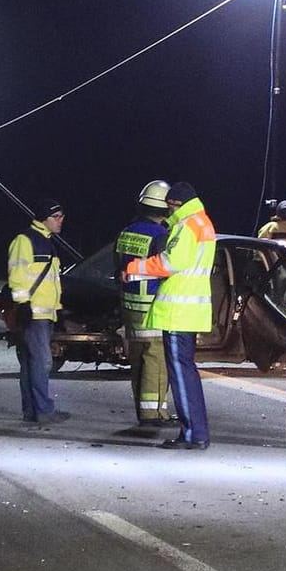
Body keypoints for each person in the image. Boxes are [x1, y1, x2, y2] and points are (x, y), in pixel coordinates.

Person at [122, 181, 216, 450]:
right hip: (188, 311)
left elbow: (170, 263)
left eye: (170, 204)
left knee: (182, 374)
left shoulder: (187, 225)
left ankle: (193, 434)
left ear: (175, 203)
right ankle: (196, 431)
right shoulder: (201, 222)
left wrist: (135, 267)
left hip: (178, 312)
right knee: (186, 372)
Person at [115, 181, 174, 426]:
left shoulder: (126, 232)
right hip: (152, 307)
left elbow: (118, 269)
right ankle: (154, 413)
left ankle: (144, 410)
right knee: (156, 362)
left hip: (130, 306)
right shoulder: (161, 236)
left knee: (139, 359)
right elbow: (167, 269)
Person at [8, 198, 68, 425]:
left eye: (62, 216)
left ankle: (33, 412)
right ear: (44, 218)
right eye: (56, 217)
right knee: (42, 362)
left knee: (31, 363)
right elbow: (18, 273)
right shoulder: (26, 240)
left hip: (43, 312)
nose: (61, 221)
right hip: (34, 313)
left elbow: (52, 281)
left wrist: (58, 309)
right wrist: (23, 304)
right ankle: (43, 411)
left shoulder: (46, 241)